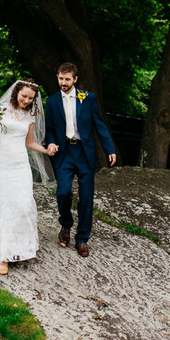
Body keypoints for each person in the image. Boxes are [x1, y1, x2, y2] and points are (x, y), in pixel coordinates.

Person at [45, 62, 116, 257]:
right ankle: (66, 225)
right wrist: (50, 143)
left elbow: (99, 125)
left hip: (85, 153)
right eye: (60, 78)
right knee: (63, 192)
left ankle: (82, 239)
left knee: (86, 197)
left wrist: (109, 148)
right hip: (64, 153)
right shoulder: (51, 102)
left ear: (75, 79)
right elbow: (49, 129)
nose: (63, 82)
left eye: (67, 79)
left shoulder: (88, 98)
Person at [0, 79, 55, 275]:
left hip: (20, 165)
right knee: (4, 206)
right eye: (23, 96)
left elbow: (29, 142)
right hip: (2, 163)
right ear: (16, 91)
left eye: (30, 98)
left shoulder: (30, 115)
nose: (26, 100)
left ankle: (22, 248)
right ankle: (4, 256)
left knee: (24, 203)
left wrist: (46, 150)